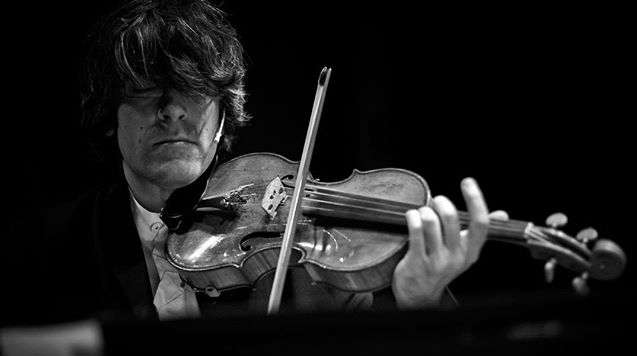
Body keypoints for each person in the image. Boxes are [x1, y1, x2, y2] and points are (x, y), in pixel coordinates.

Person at [3, 0, 507, 326]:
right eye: (145, 88)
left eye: (196, 88)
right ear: (109, 115)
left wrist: (422, 299)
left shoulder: (309, 264)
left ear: (224, 115)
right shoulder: (38, 250)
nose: (173, 108)